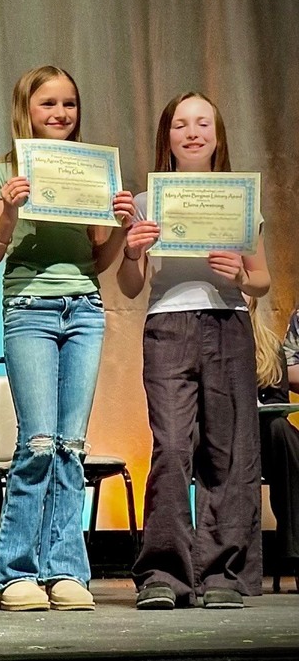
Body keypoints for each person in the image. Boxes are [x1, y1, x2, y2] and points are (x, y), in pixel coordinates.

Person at [0, 65, 134, 611]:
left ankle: (65, 570)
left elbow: (100, 259)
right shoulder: (3, 172)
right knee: (38, 442)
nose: (61, 113)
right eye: (48, 103)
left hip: (84, 308)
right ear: (26, 109)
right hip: (30, 308)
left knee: (71, 447)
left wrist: (119, 225)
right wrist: (10, 211)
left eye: (69, 103)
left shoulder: (90, 170)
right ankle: (16, 572)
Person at [118, 91, 270, 609]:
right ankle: (164, 573)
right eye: (181, 124)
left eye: (203, 122)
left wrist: (242, 276)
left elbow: (262, 280)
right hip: (168, 325)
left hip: (228, 323)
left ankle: (222, 573)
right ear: (167, 137)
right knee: (171, 447)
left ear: (217, 135)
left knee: (228, 452)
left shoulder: (239, 198)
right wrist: (133, 252)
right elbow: (131, 285)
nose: (192, 132)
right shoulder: (146, 201)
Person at [252, 299, 299, 571]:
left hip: (263, 439)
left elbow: (277, 402)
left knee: (280, 430)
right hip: (220, 436)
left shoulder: (269, 345)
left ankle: (294, 551)